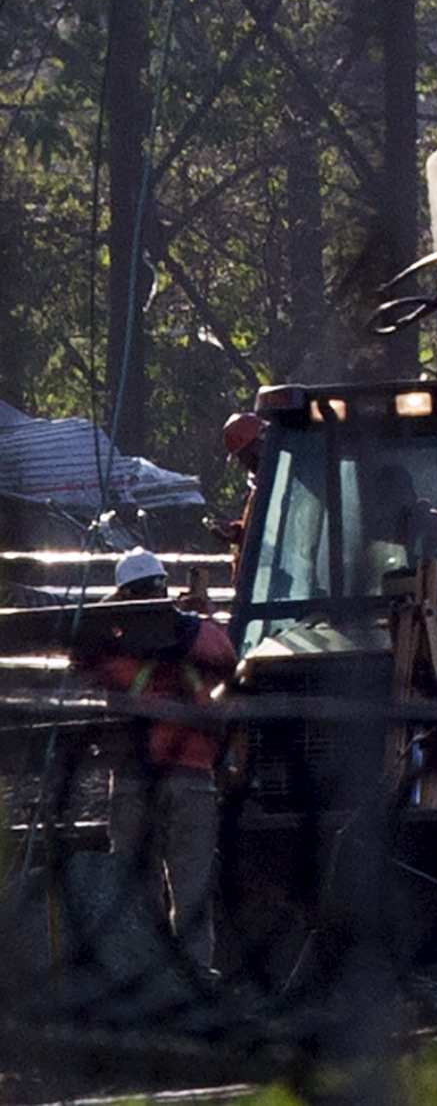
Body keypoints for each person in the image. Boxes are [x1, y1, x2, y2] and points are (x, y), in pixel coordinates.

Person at [79, 548, 237, 971]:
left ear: (123, 595)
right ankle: (195, 979)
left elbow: (82, 655)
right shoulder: (199, 634)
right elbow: (227, 657)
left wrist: (112, 610)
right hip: (192, 780)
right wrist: (198, 614)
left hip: (135, 781)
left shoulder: (114, 646)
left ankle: (142, 980)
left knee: (134, 892)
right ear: (163, 587)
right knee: (192, 893)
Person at [219, 411, 264, 585]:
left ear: (257, 447)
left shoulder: (284, 482)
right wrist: (237, 532)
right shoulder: (259, 487)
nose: (242, 462)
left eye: (243, 455)